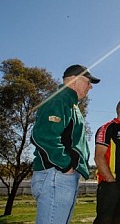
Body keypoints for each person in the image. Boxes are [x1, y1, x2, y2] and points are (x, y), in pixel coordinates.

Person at [30, 64, 100, 224]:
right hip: (56, 175)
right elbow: (44, 136)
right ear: (74, 80)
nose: (90, 87)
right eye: (88, 82)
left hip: (62, 176)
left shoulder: (71, 104)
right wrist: (66, 166)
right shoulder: (59, 99)